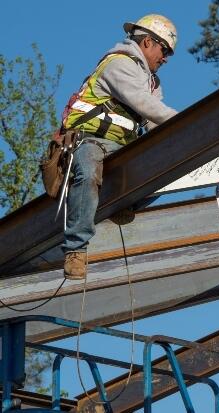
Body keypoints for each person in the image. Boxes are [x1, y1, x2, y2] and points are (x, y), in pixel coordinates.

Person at [61, 14, 179, 280]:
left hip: (122, 149)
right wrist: (184, 122)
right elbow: (145, 105)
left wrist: (180, 143)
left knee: (173, 165)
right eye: (164, 50)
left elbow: (152, 121)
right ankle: (76, 249)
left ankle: (126, 203)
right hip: (90, 140)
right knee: (89, 173)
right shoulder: (118, 64)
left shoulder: (151, 82)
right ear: (148, 42)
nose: (166, 58)